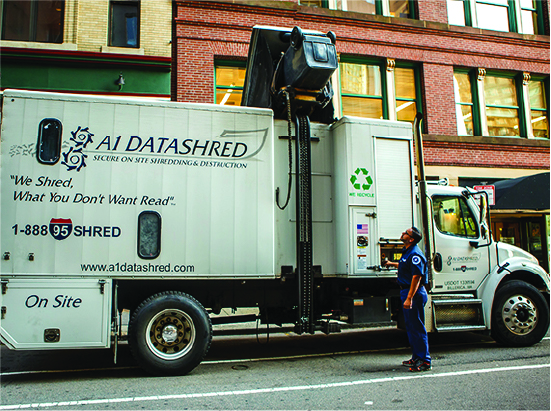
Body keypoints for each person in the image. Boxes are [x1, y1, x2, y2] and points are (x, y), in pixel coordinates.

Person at [384, 226, 431, 372]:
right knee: (411, 328)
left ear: (411, 239)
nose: (403, 233)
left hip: (414, 294)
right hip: (407, 292)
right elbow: (405, 265)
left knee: (417, 328)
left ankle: (425, 361)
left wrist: (409, 298)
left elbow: (417, 277)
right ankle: (416, 357)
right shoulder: (408, 252)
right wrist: (392, 264)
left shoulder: (415, 254)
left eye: (406, 233)